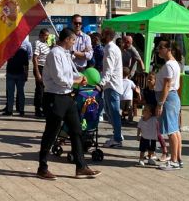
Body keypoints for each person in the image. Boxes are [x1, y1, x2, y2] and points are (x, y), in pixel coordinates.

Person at [37, 28, 101, 180]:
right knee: (51, 132)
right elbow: (59, 78)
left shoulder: (66, 55)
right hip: (54, 97)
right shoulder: (54, 54)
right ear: (66, 39)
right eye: (73, 40)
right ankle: (42, 167)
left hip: (67, 97)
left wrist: (80, 77)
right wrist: (76, 80)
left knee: (76, 130)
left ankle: (81, 166)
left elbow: (69, 73)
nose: (74, 43)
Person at [155, 39, 182, 170]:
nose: (158, 49)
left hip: (168, 98)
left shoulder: (169, 65)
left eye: (161, 47)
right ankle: (178, 159)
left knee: (171, 131)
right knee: (175, 130)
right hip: (172, 97)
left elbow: (167, 85)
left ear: (168, 49)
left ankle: (174, 160)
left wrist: (160, 103)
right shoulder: (173, 64)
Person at [99, 27, 124, 147]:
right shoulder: (112, 48)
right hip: (112, 84)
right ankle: (117, 134)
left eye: (102, 34)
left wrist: (101, 83)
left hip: (111, 85)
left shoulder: (110, 48)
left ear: (108, 36)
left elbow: (109, 69)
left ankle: (117, 138)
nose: (100, 36)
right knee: (110, 112)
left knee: (113, 112)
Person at [144, 71, 169, 161]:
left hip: (156, 114)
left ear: (155, 81)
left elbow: (159, 103)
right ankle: (152, 152)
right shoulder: (146, 90)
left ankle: (165, 152)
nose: (149, 80)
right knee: (150, 134)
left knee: (158, 134)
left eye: (151, 79)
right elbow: (145, 102)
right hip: (149, 114)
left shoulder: (157, 91)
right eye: (148, 79)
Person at [4, 37, 33, 116]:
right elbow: (5, 59)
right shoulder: (10, 51)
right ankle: (11, 110)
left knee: (19, 93)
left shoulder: (23, 52)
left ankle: (20, 110)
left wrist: (26, 74)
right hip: (11, 74)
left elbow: (26, 65)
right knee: (12, 93)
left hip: (19, 74)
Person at [33, 29, 51, 118]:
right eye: (45, 35)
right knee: (40, 90)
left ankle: (44, 108)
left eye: (48, 35)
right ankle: (37, 109)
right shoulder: (38, 43)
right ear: (41, 35)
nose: (47, 37)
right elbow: (35, 58)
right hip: (40, 67)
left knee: (45, 90)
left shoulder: (47, 44)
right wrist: (37, 72)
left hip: (47, 68)